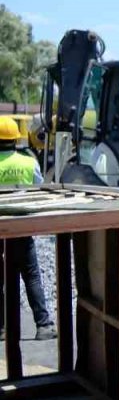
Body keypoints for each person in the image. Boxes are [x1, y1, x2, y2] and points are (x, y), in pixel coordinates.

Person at [0, 117, 55, 341]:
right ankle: (43, 325)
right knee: (31, 276)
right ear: (15, 139)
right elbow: (40, 189)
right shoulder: (28, 163)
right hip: (22, 227)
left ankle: (1, 329)